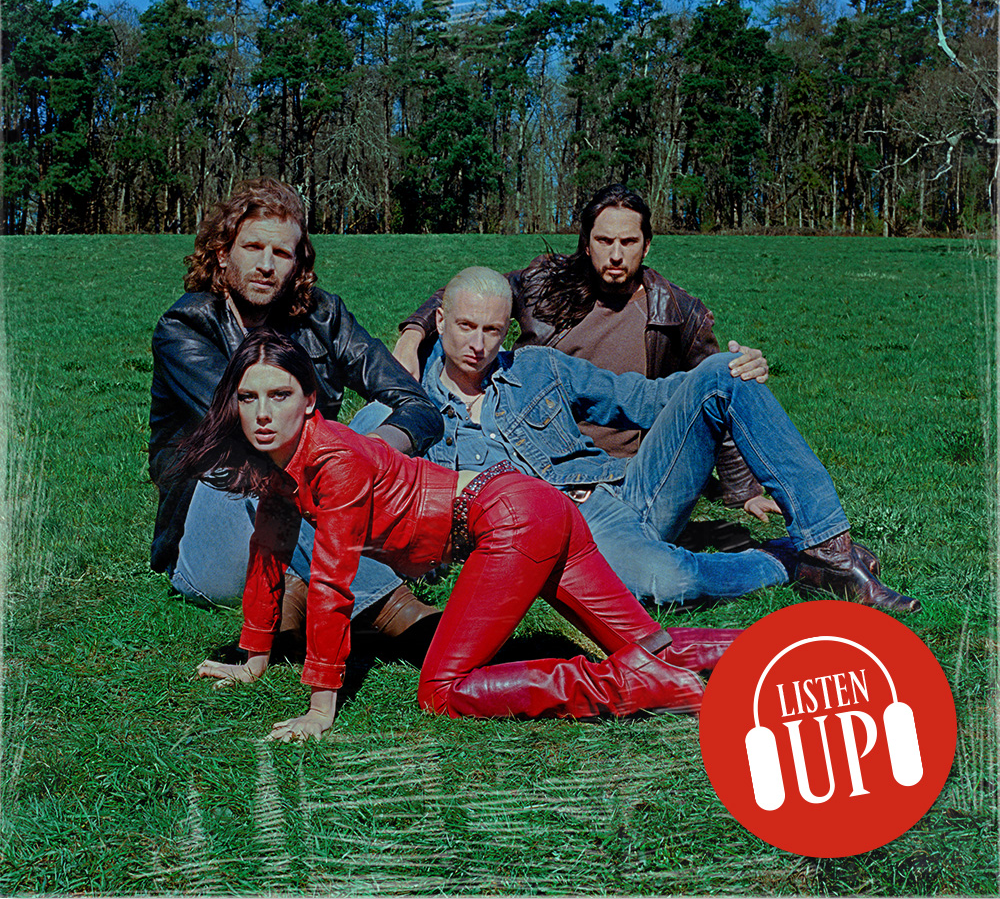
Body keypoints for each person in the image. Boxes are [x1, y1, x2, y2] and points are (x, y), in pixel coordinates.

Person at [178, 327, 743, 740]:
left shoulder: (335, 460)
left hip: (512, 520)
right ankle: (760, 648)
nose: (261, 414)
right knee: (651, 641)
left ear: (310, 402)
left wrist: (321, 706)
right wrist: (253, 658)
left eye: (279, 396)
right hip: (533, 506)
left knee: (442, 691)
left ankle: (637, 686)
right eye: (248, 398)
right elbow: (269, 554)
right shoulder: (280, 466)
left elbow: (330, 583)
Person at [353, 267, 921, 614]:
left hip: (618, 495)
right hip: (567, 539)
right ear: (440, 319)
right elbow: (354, 467)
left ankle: (832, 547)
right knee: (669, 580)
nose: (478, 343)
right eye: (465, 326)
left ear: (508, 330)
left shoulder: (538, 368)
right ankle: (793, 562)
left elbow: (642, 399)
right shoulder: (409, 409)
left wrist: (723, 368)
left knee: (724, 373)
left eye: (492, 330)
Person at [149, 177, 444, 645]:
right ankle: (390, 606)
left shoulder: (323, 316)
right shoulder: (184, 329)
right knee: (260, 449)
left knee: (374, 422)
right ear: (223, 254)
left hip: (308, 511)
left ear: (297, 262)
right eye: (253, 247)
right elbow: (246, 435)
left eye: (282, 253)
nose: (266, 265)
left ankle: (297, 586)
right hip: (216, 536)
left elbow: (418, 405)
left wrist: (372, 453)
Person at [393, 183, 768, 521]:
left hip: (625, 467)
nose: (616, 254)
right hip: (539, 452)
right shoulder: (544, 285)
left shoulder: (678, 312)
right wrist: (410, 337)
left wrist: (744, 490)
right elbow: (467, 296)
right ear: (587, 244)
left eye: (629, 242)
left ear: (647, 244)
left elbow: (712, 399)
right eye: (604, 241)